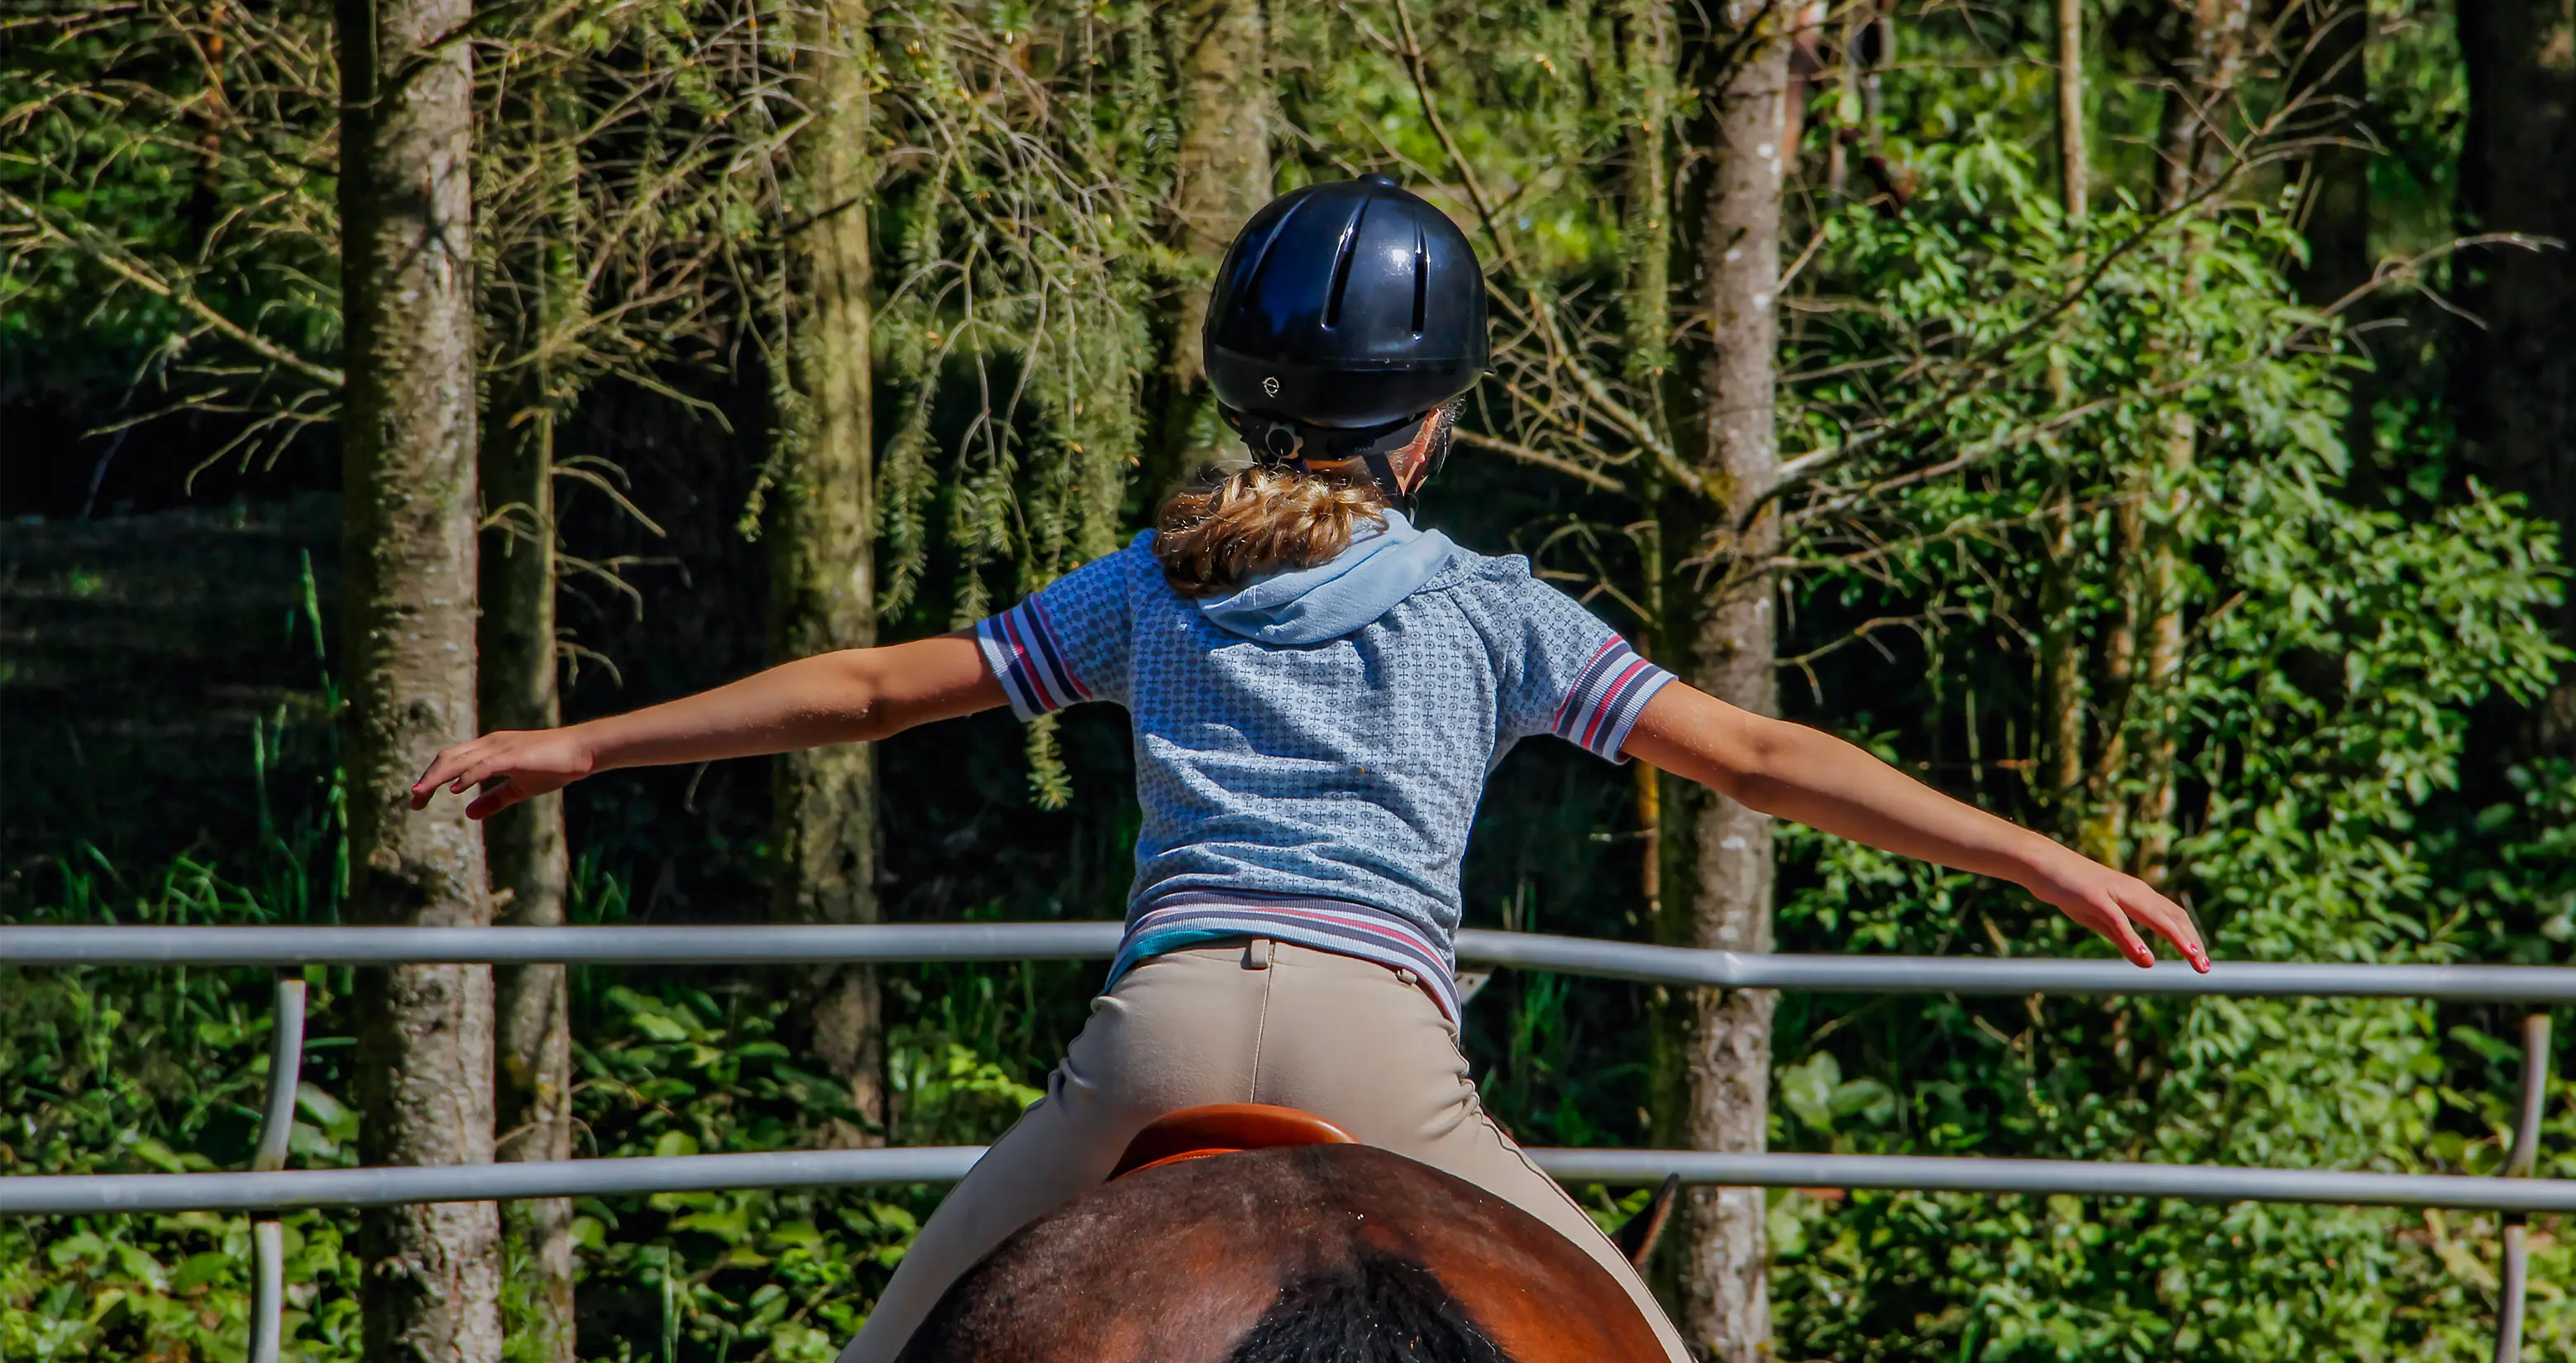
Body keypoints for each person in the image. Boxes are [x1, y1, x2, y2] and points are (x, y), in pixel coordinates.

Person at [412, 175, 2210, 1360]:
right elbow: (1755, 754)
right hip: (1381, 1040)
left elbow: (878, 690)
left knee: (905, 1345)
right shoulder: (1497, 612)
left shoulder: (1154, 588)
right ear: (1435, 419)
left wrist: (584, 738)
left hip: (1161, 1036)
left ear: (1239, 393)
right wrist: (2034, 857)